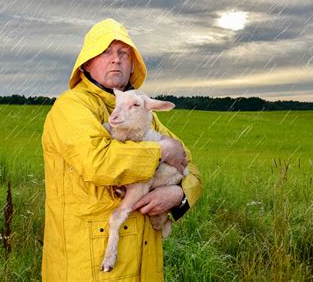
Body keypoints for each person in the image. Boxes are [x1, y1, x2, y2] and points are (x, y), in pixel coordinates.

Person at [42, 18, 202, 281]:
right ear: (86, 63)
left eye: (123, 53)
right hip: (89, 265)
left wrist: (178, 194)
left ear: (132, 66)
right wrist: (160, 152)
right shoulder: (71, 107)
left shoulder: (142, 111)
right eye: (105, 52)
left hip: (143, 261)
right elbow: (98, 162)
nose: (115, 59)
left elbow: (189, 165)